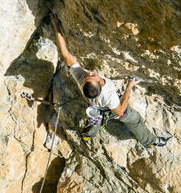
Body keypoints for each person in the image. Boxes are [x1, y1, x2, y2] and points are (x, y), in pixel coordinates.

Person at [50, 12, 170, 149]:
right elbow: (120, 111)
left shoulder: (82, 79)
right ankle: (150, 142)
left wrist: (57, 27)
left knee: (95, 118)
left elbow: (65, 54)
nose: (91, 72)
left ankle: (87, 135)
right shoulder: (110, 95)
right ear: (101, 83)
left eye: (89, 75)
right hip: (110, 107)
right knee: (135, 119)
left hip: (95, 105)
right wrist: (129, 86)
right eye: (93, 75)